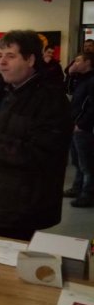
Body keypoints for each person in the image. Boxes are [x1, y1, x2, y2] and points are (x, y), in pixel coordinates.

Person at [0, 30, 72, 241]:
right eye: (0, 56)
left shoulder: (50, 99)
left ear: (30, 59)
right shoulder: (2, 90)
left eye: (10, 56)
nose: (1, 62)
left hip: (19, 205)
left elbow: (44, 153)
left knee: (8, 256)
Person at [63, 52, 94, 208]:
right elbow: (67, 90)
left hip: (83, 128)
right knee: (77, 161)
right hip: (75, 124)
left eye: (78, 61)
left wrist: (81, 124)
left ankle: (88, 194)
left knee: (86, 164)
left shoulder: (91, 81)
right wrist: (70, 74)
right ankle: (77, 188)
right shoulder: (80, 79)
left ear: (87, 62)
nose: (74, 63)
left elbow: (92, 106)